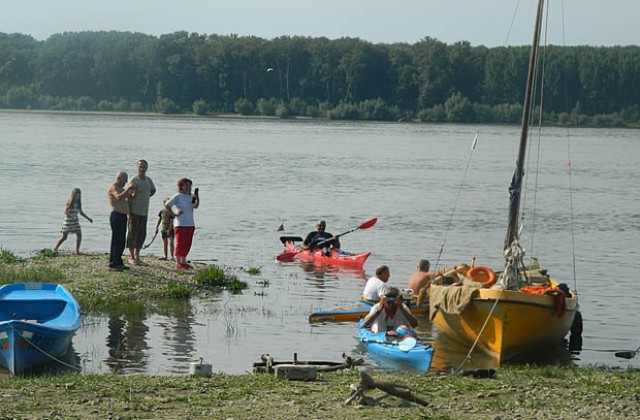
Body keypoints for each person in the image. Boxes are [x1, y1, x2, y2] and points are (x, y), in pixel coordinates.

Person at [126, 159, 156, 265]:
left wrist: (145, 196)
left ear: (147, 168)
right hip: (134, 212)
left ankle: (137, 256)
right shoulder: (134, 180)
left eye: (143, 167)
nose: (142, 169)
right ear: (137, 167)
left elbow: (153, 190)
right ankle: (131, 256)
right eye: (140, 167)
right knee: (132, 234)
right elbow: (128, 198)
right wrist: (129, 214)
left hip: (144, 212)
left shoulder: (148, 180)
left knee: (141, 234)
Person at [165, 178, 199, 270]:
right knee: (180, 242)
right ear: (181, 187)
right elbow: (167, 205)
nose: (188, 187)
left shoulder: (191, 196)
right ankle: (178, 262)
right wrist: (174, 214)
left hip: (190, 223)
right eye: (186, 185)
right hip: (180, 223)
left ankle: (183, 261)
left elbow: (195, 206)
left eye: (189, 186)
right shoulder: (178, 196)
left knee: (187, 243)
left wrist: (197, 197)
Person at [107, 171, 134, 270]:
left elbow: (130, 199)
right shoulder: (114, 187)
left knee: (122, 240)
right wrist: (128, 189)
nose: (126, 182)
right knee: (116, 239)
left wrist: (134, 191)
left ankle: (118, 260)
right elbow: (118, 197)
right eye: (125, 180)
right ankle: (114, 261)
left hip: (123, 216)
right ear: (119, 178)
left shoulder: (122, 189)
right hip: (116, 215)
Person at [53, 188, 93, 254]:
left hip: (75, 222)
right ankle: (55, 248)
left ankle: (77, 251)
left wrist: (88, 219)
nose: (77, 197)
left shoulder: (78, 203)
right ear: (73, 195)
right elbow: (65, 212)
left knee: (79, 235)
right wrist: (72, 216)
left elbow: (81, 212)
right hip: (68, 222)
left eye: (79, 195)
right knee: (64, 237)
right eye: (76, 195)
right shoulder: (69, 202)